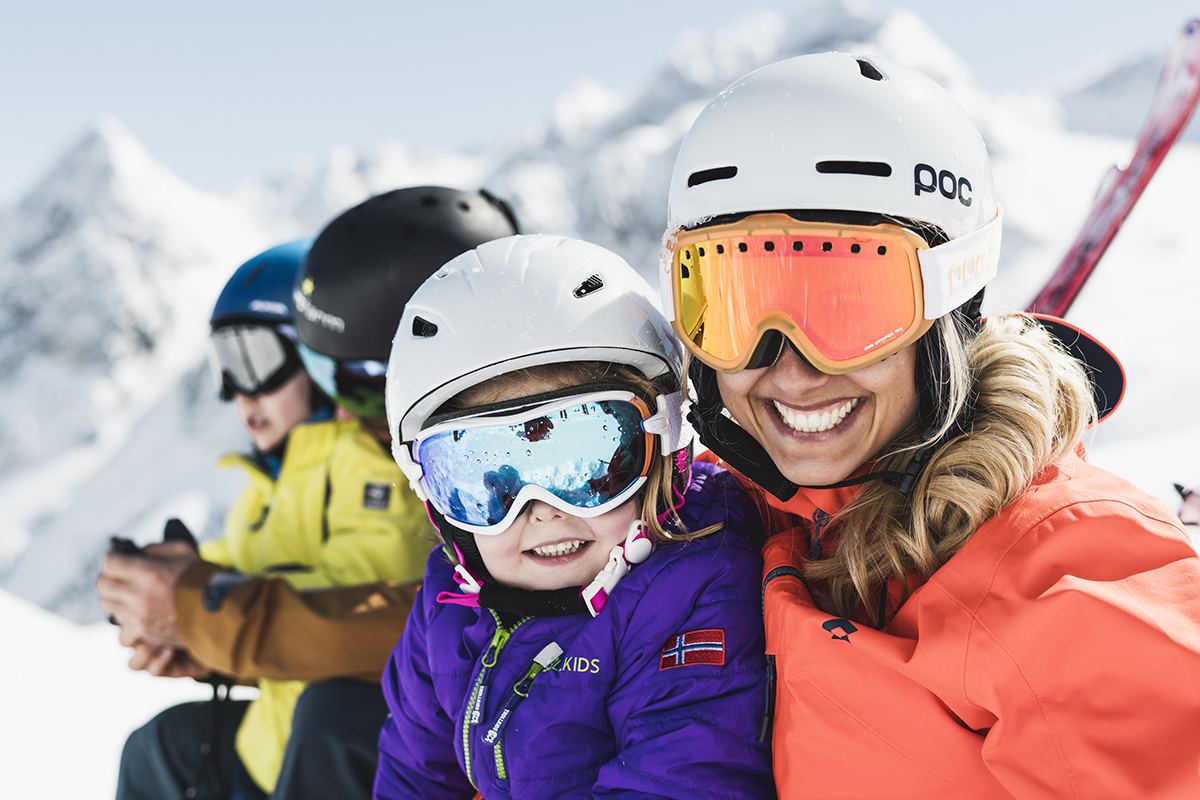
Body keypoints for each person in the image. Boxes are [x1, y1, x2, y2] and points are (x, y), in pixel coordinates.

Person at [660, 52, 1200, 798]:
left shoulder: (1067, 578)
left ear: (951, 307)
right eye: (731, 308)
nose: (790, 370)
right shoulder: (724, 529)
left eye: (850, 307)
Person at [374, 234, 774, 799]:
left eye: (585, 464)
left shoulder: (695, 589)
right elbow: (412, 770)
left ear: (665, 442)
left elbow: (678, 778)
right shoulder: (449, 603)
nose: (540, 511)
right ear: (432, 494)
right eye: (486, 479)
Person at [100, 239, 436, 800]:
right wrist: (185, 632)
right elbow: (244, 593)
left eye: (254, 359)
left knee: (328, 716)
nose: (237, 391)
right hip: (268, 752)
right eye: (225, 364)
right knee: (157, 748)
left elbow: (360, 634)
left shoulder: (368, 467)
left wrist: (201, 608)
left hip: (331, 755)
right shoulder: (265, 488)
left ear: (315, 358)